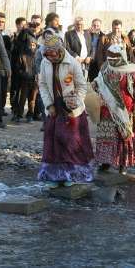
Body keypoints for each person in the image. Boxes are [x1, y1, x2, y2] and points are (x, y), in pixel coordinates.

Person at [38, 29, 93, 187]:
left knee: (70, 141)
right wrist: (49, 105)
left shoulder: (72, 63)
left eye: (53, 54)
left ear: (60, 50)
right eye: (48, 54)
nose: (51, 57)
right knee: (53, 141)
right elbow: (42, 85)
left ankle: (72, 175)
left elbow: (82, 86)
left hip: (71, 110)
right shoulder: (45, 63)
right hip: (55, 109)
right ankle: (55, 176)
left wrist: (75, 101)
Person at [93, 44, 135, 174]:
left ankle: (123, 164)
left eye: (114, 59)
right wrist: (95, 84)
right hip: (107, 108)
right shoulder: (105, 67)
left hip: (126, 108)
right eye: (109, 58)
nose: (111, 61)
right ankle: (105, 162)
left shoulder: (131, 69)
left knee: (123, 135)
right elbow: (99, 81)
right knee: (107, 135)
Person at [12, 15, 43, 121]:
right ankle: (18, 114)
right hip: (26, 69)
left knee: (34, 95)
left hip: (37, 71)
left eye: (37, 24)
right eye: (32, 23)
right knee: (22, 94)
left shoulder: (44, 35)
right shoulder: (26, 34)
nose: (34, 26)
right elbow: (18, 46)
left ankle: (32, 114)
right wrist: (25, 30)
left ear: (41, 24)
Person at [0, 12, 12, 115]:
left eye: (3, 22)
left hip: (3, 67)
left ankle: (1, 108)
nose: (0, 23)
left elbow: (9, 52)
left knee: (3, 90)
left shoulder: (6, 35)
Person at [15, 39, 38, 123]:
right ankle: (19, 115)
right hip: (25, 80)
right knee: (22, 98)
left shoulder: (38, 56)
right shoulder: (23, 55)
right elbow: (18, 68)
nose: (32, 47)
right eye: (30, 45)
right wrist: (24, 74)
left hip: (35, 81)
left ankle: (30, 115)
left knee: (32, 99)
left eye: (33, 45)